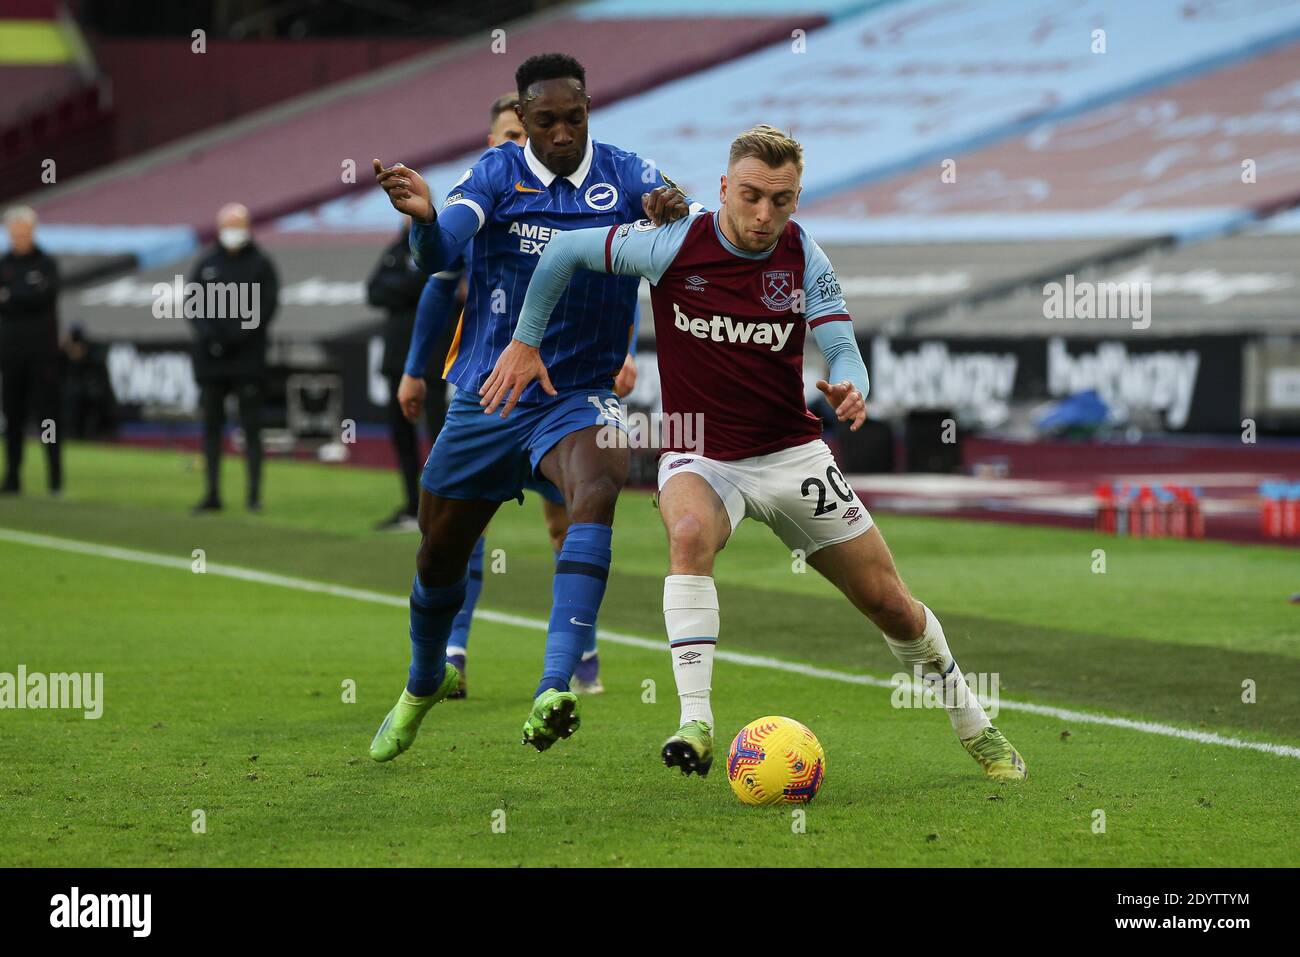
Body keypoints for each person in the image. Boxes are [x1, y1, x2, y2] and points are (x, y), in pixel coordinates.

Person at [484, 125, 1027, 782]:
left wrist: (855, 385)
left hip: (792, 454)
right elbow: (565, 251)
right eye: (752, 196)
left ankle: (976, 725)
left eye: (783, 199)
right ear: (724, 189)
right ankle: (696, 722)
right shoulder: (673, 243)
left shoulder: (803, 256)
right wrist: (524, 341)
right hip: (698, 451)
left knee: (889, 602)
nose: (766, 214)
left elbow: (843, 345)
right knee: (687, 532)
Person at [368, 52, 698, 760]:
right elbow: (441, 251)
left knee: (601, 482)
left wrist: (674, 207)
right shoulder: (493, 175)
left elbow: (678, 211)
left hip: (578, 395)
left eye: (572, 118)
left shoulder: (625, 172)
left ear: (587, 111)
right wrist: (425, 220)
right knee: (438, 555)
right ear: (523, 121)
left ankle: (555, 684)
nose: (559, 134)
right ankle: (425, 677)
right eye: (544, 121)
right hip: (489, 393)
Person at [397, 90, 640, 699]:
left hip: (567, 393)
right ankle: (451, 653)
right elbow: (436, 282)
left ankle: (578, 656)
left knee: (574, 513)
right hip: (489, 392)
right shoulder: (484, 195)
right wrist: (414, 369)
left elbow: (623, 271)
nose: (522, 146)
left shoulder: (602, 189)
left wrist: (628, 348)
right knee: (455, 537)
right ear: (497, 141)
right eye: (511, 135)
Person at [187, 202, 280, 513]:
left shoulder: (261, 264)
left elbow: (266, 308)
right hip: (212, 361)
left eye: (238, 225)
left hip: (248, 360)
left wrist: (238, 336)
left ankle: (254, 495)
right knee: (211, 427)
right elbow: (193, 306)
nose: (233, 232)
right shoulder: (206, 263)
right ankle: (211, 493)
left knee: (251, 428)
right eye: (228, 226)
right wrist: (212, 338)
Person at [367, 217, 445, 531]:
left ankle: (442, 505)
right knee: (401, 433)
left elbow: (431, 284)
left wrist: (401, 287)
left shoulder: (440, 246)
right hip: (397, 358)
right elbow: (373, 291)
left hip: (432, 357)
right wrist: (407, 286)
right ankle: (412, 505)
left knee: (440, 434)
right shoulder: (394, 250)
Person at [0, 206, 62, 496]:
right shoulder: (4, 263)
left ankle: (55, 479)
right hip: (11, 353)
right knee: (13, 416)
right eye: (15, 233)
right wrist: (21, 297)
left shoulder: (46, 263)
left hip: (43, 353)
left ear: (33, 232)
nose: (20, 238)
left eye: (24, 233)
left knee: (48, 417)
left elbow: (43, 297)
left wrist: (12, 296)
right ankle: (12, 477)